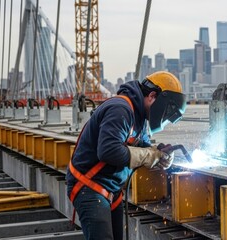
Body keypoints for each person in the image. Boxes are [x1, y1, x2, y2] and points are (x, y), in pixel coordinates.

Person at [66, 71, 186, 240]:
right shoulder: (120, 110)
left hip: (111, 190)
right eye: (165, 112)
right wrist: (148, 155)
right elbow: (108, 151)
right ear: (152, 96)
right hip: (89, 186)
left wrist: (160, 155)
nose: (163, 118)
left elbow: (143, 149)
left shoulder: (139, 119)